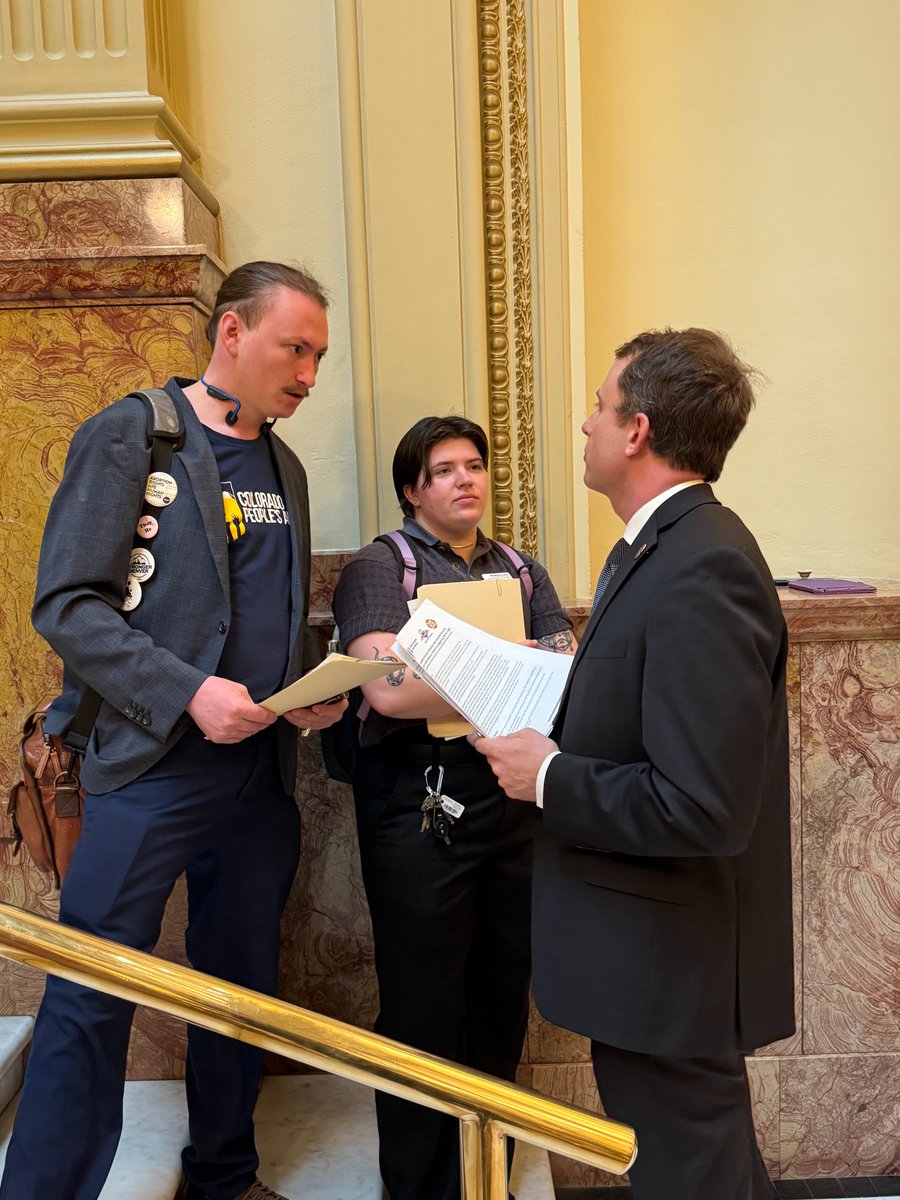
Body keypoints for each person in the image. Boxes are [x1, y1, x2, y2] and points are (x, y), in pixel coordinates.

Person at [1, 261, 347, 1200]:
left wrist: (304, 692)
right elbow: (67, 605)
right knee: (91, 991)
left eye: (320, 355)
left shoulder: (284, 466)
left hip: (259, 778)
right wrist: (190, 693)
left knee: (239, 990)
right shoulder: (131, 434)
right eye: (296, 348)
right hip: (147, 770)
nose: (310, 374)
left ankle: (224, 1176)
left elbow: (260, 610)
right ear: (231, 332)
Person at [471, 329, 795, 1200]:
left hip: (670, 969)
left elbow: (703, 805)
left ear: (638, 430)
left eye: (600, 408)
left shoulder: (703, 564)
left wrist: (545, 777)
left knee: (693, 1178)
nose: (587, 425)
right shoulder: (659, 547)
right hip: (649, 963)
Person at [331, 416, 575, 1200]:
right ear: (413, 489)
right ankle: (416, 1185)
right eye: (443, 470)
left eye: (474, 465)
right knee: (420, 1002)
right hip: (417, 799)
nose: (466, 479)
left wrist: (448, 670)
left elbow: (564, 669)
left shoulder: (520, 568)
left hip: (514, 794)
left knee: (502, 992)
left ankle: (483, 1173)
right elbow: (386, 691)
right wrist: (513, 664)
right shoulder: (380, 567)